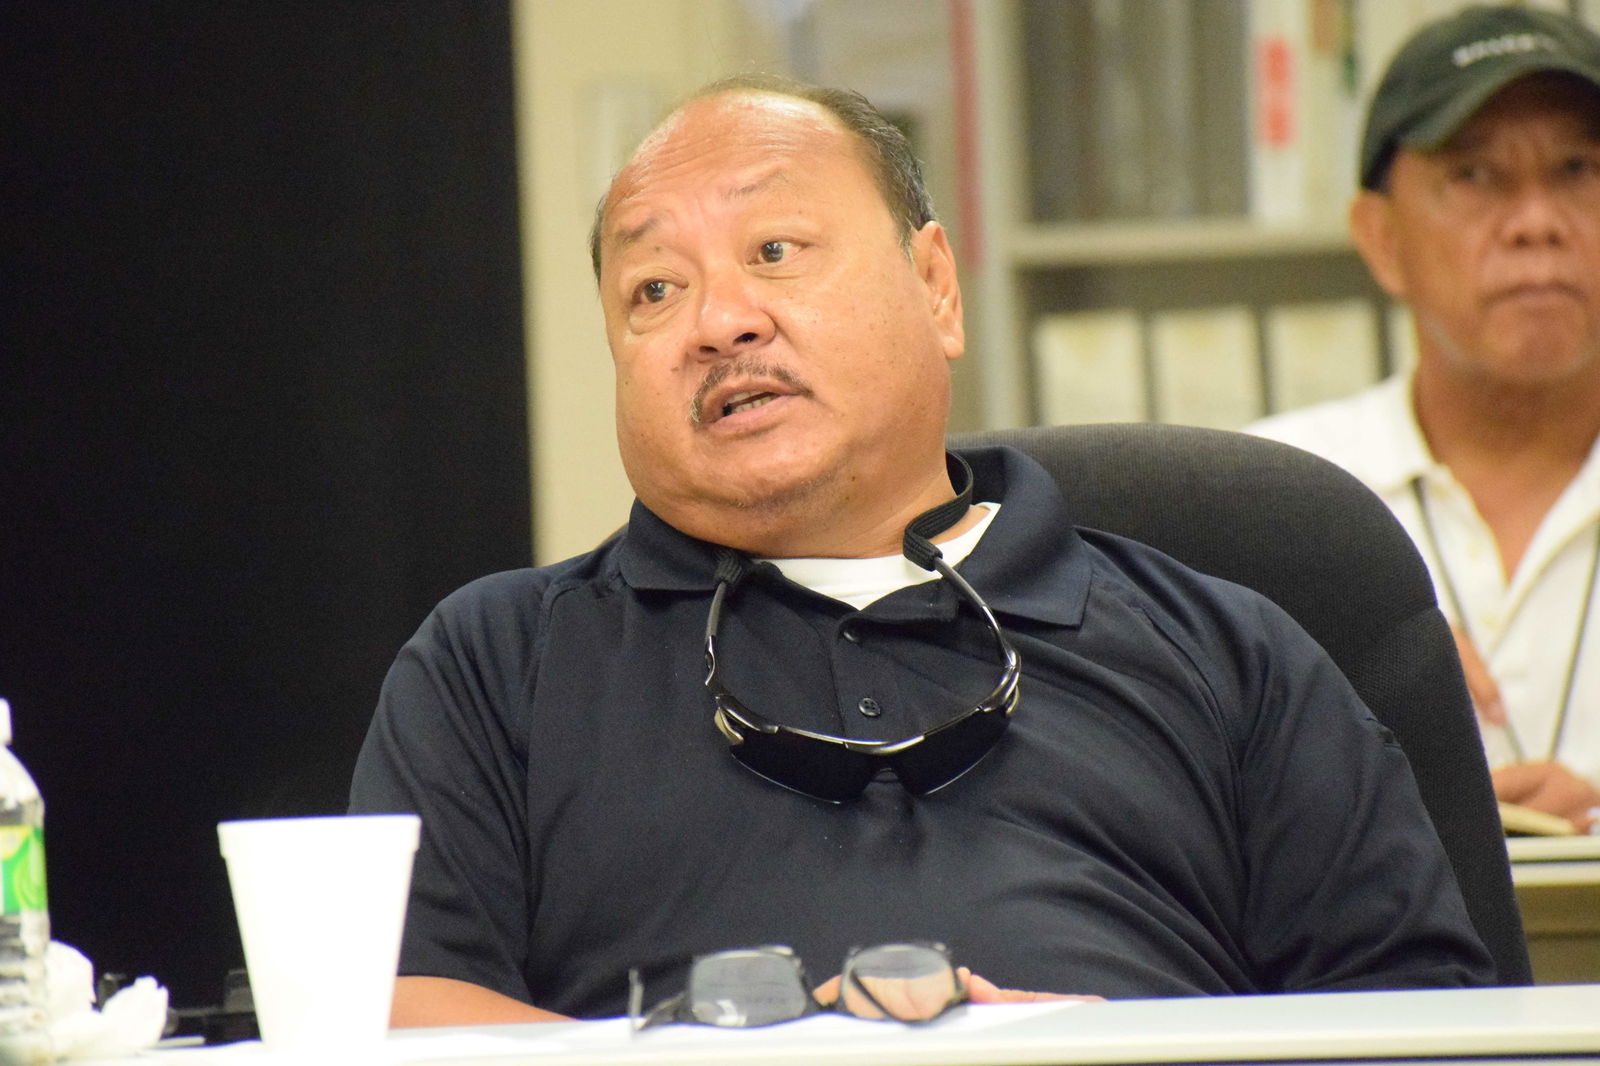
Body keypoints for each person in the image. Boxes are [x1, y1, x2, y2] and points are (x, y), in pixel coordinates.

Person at [349, 74, 1494, 1027]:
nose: (719, 320)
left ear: (935, 286)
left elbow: (1428, 1021)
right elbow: (393, 1011)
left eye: (777, 248)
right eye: (655, 288)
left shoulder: (1222, 644)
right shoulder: (497, 663)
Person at [1248, 5, 1600, 833]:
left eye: (1580, 169)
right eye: (1475, 177)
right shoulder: (1267, 501)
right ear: (1380, 238)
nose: (1537, 224)